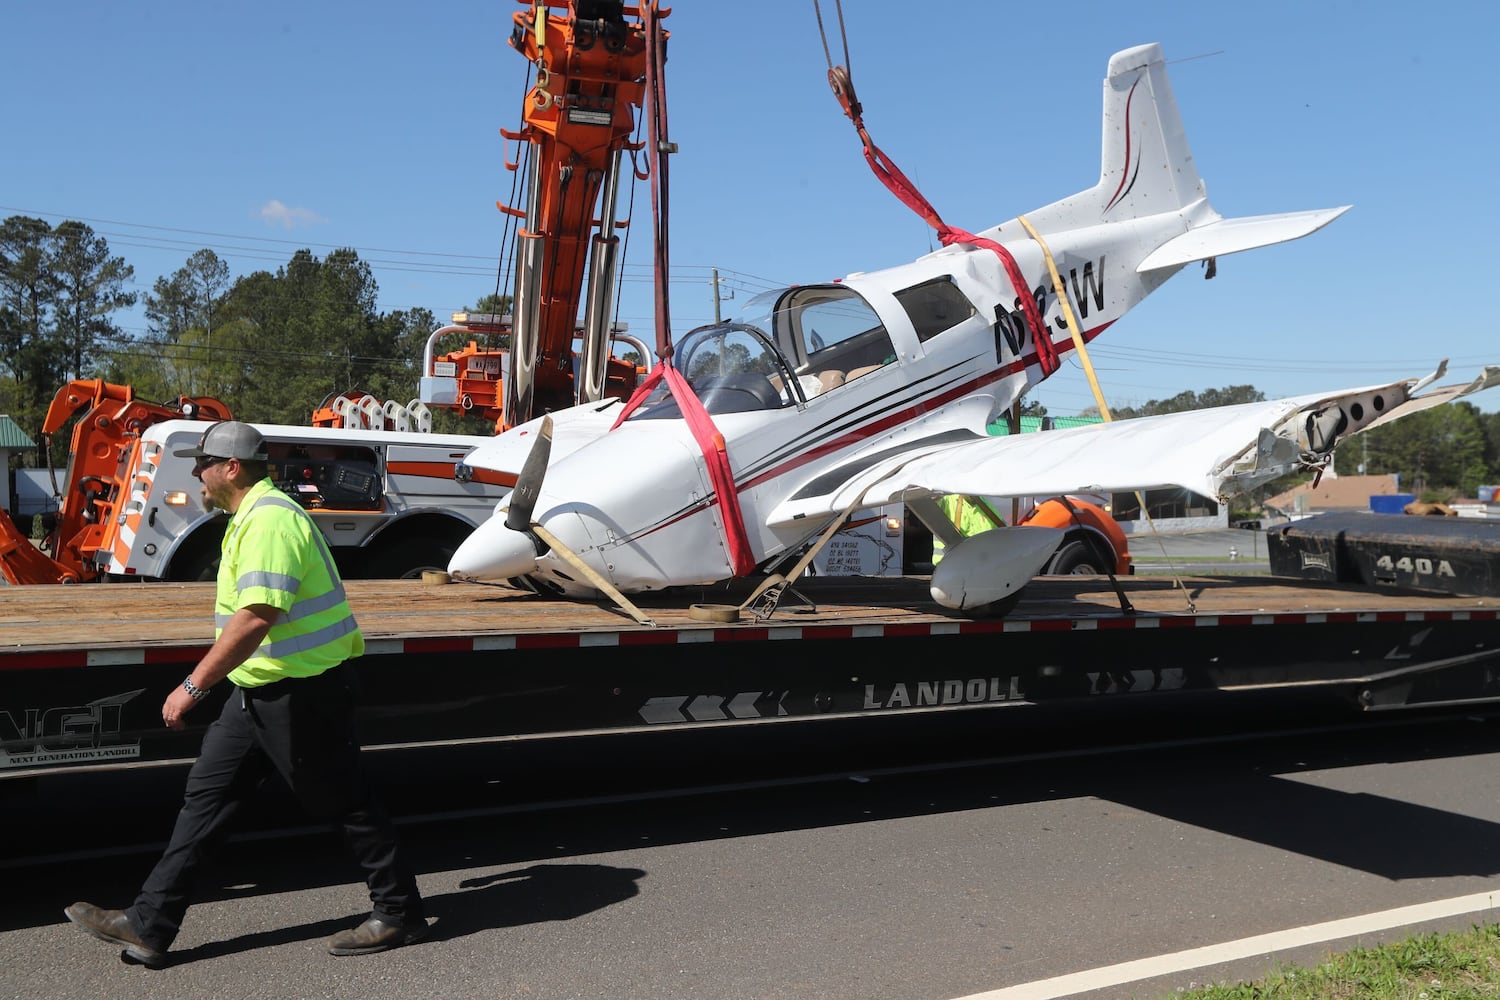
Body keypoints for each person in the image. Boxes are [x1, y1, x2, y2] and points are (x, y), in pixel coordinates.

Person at [65, 420, 425, 968]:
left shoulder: (271, 521)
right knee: (203, 804)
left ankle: (399, 913)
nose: (198, 478)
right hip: (258, 689)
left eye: (204, 466)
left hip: (304, 692)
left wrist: (192, 685)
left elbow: (257, 616)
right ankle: (149, 925)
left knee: (347, 804)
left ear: (231, 467)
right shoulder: (250, 516)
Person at [930, 494, 1005, 565]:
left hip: (982, 566)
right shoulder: (946, 501)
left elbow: (1004, 536)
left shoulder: (986, 503)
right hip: (949, 568)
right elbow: (929, 498)